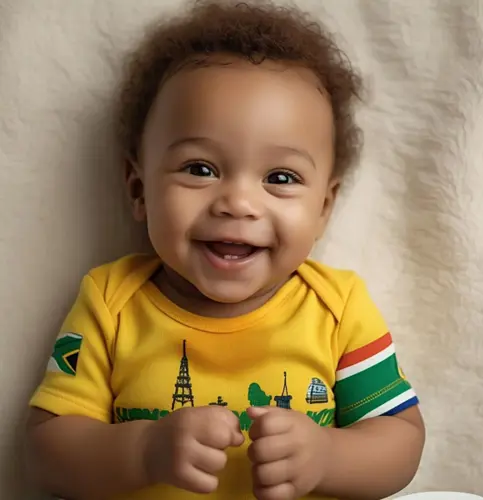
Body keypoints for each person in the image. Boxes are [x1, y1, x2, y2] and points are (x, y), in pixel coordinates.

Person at [26, 1, 425, 499]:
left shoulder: (338, 308)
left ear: (324, 207)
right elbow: (48, 450)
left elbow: (401, 440)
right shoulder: (111, 302)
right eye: (200, 169)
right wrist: (144, 450)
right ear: (139, 190)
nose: (238, 202)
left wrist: (328, 456)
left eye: (281, 177)